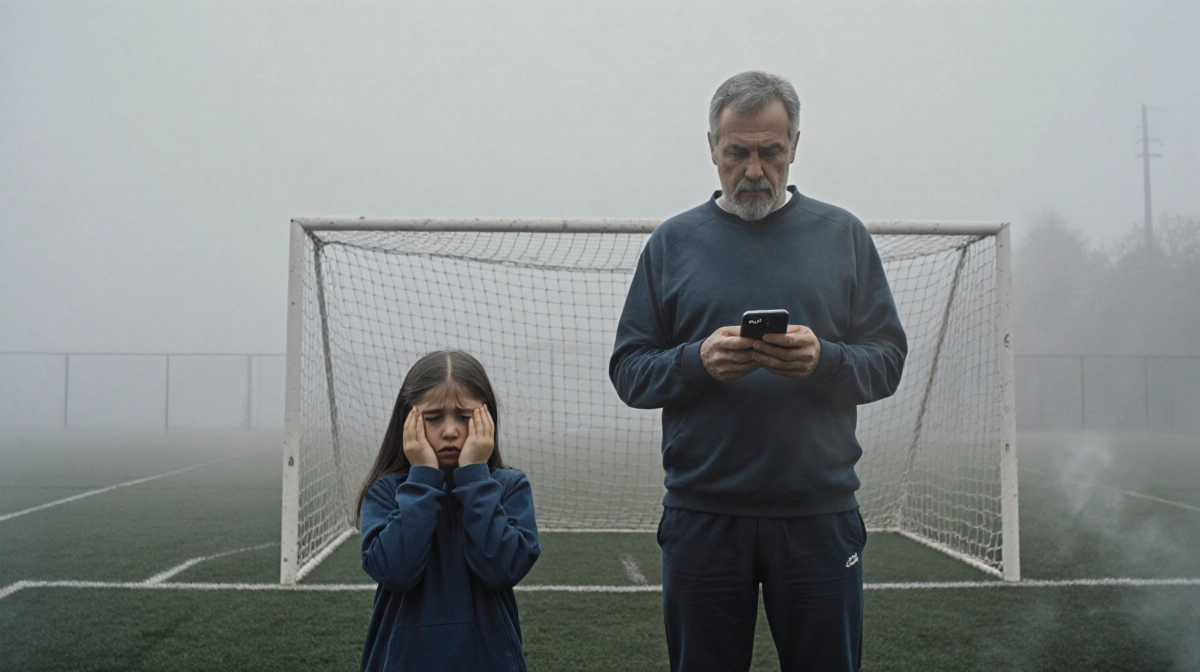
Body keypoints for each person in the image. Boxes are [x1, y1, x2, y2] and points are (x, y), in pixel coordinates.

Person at [609, 71, 907, 672]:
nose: (753, 170)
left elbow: (888, 360)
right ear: (711, 149)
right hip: (703, 518)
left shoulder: (842, 235)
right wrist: (699, 361)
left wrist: (825, 360)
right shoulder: (672, 243)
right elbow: (630, 371)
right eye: (736, 152)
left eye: (769, 152)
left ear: (794, 146)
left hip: (819, 516)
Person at [357, 350, 540, 671]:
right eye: (434, 418)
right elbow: (396, 571)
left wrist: (473, 477)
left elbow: (501, 569)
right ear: (408, 421)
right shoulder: (387, 492)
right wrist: (424, 480)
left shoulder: (509, 487)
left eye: (465, 417)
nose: (451, 430)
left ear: (487, 419)